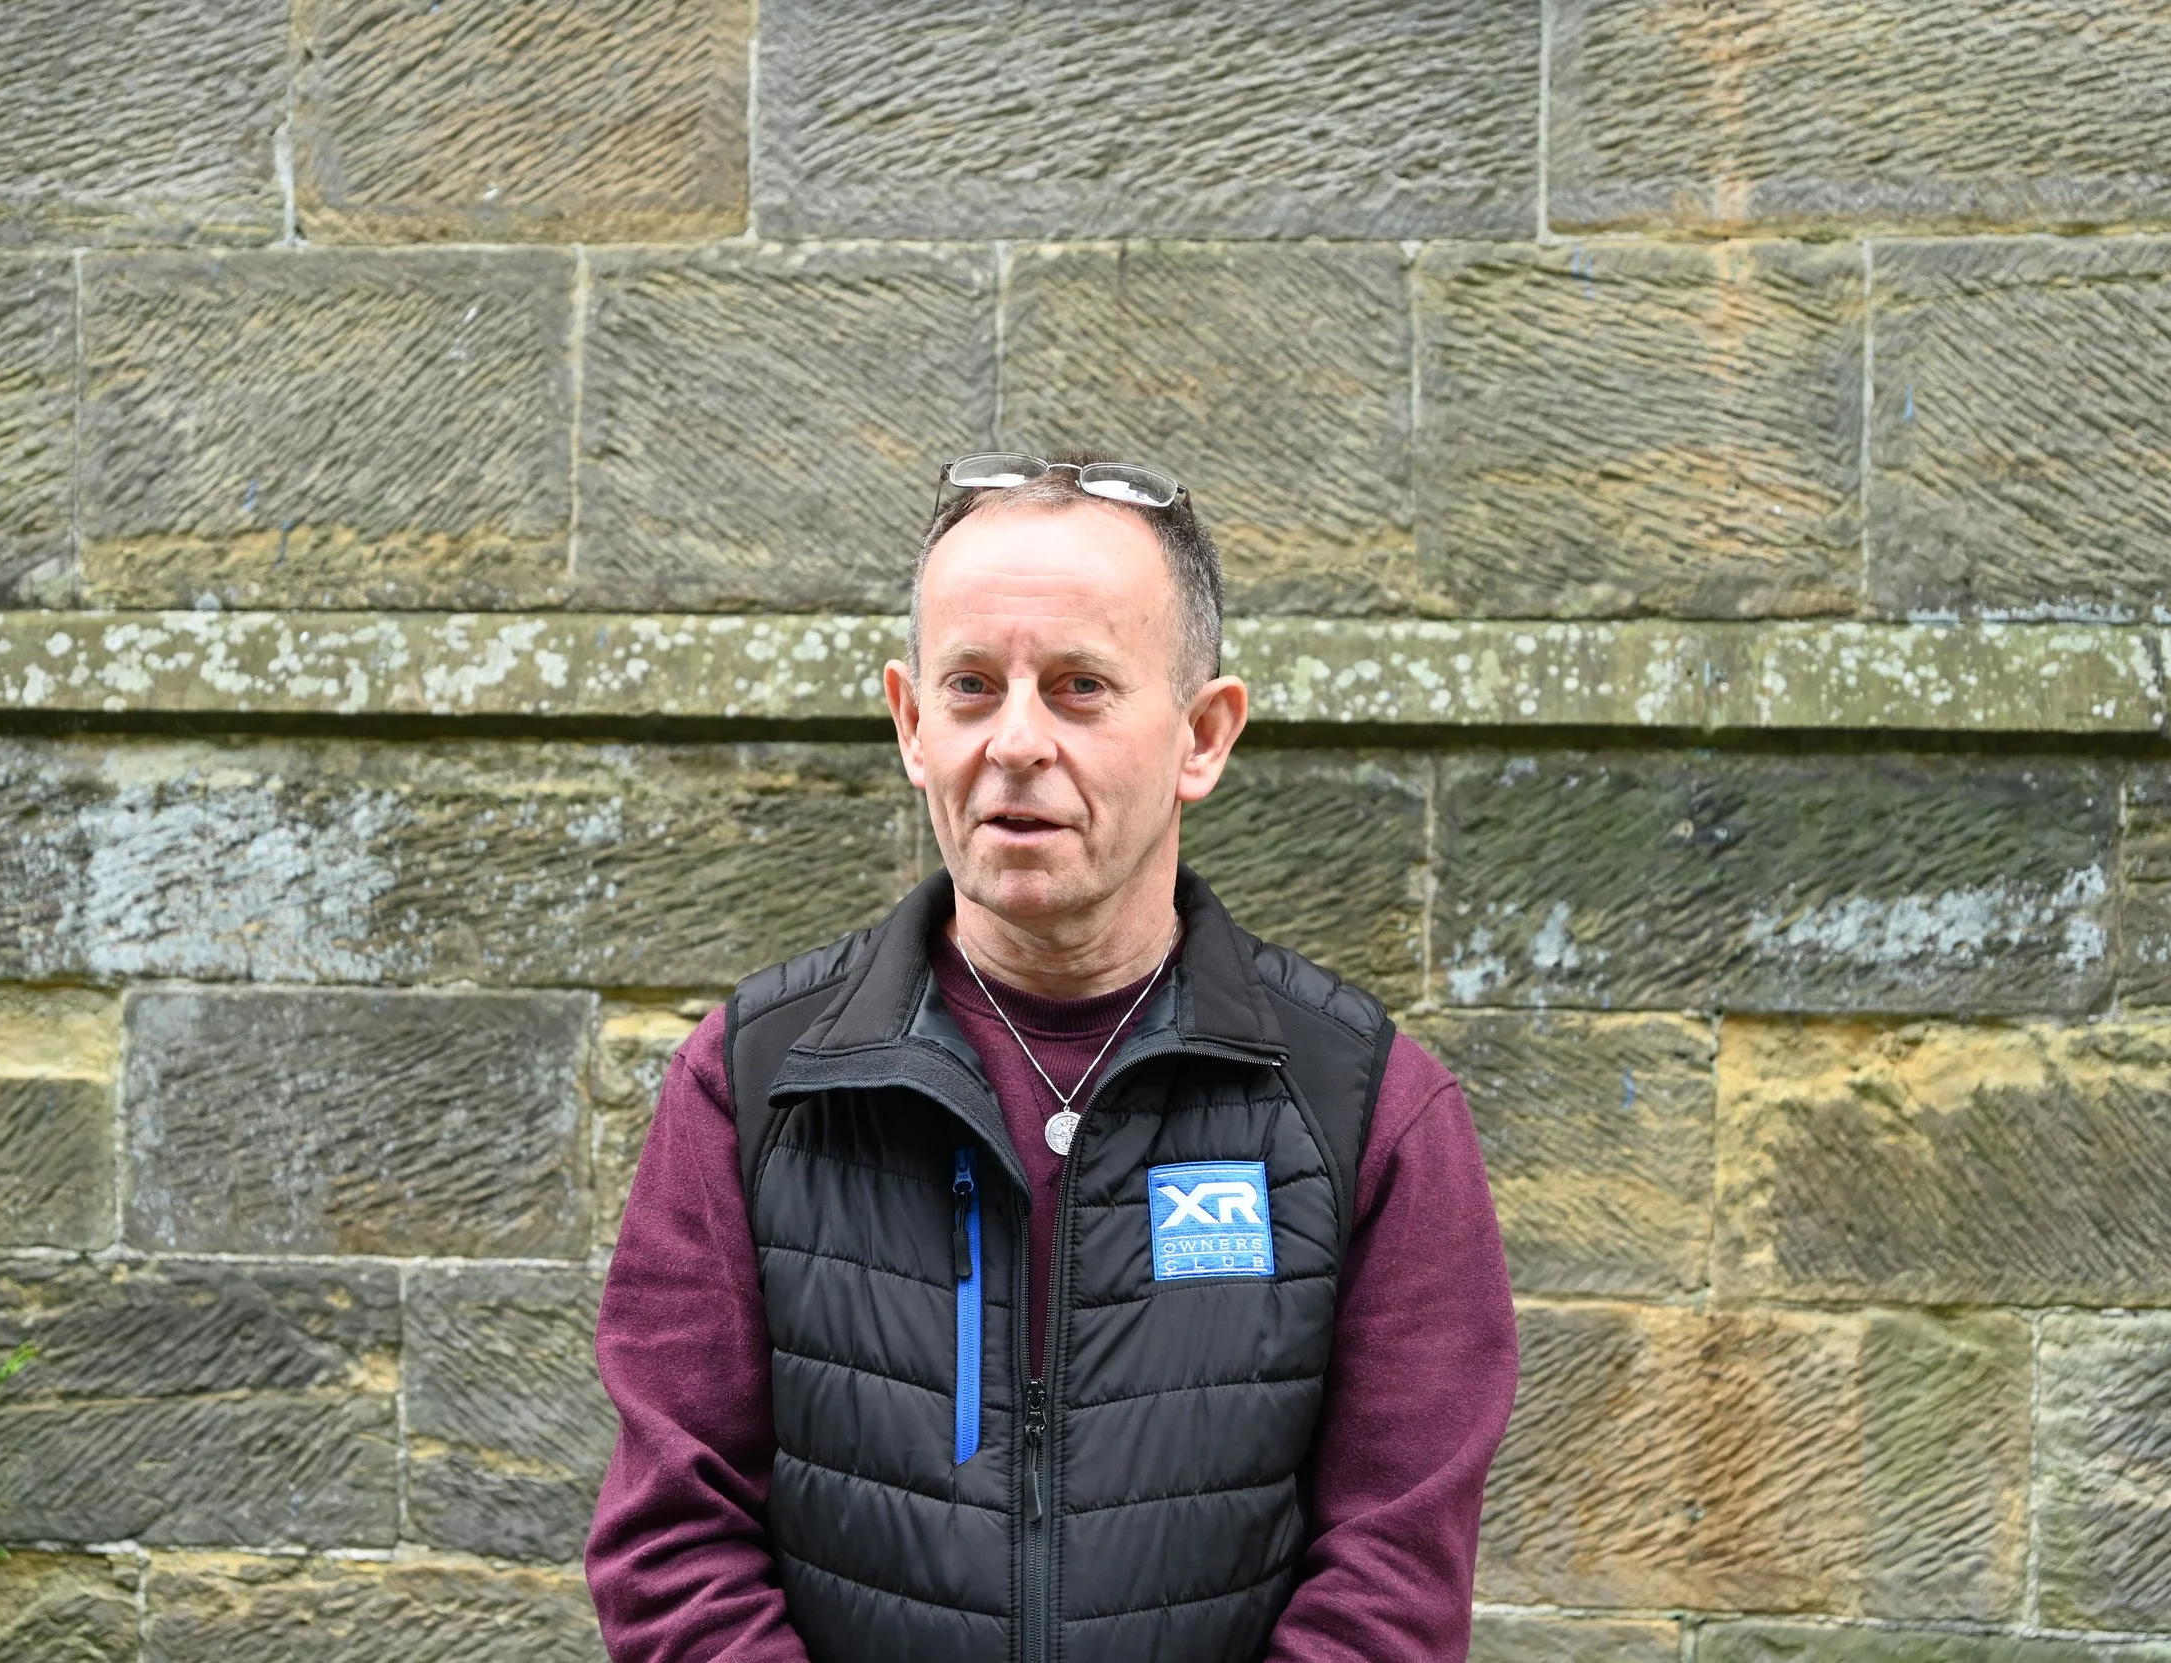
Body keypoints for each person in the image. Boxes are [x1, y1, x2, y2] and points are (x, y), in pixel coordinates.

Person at [585, 451, 1520, 1663]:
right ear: (911, 725)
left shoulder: (1364, 1109)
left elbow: (1393, 1582)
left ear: (1202, 736)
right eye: (971, 687)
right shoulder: (757, 1085)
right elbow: (672, 1548)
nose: (1016, 740)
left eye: (1080, 687)